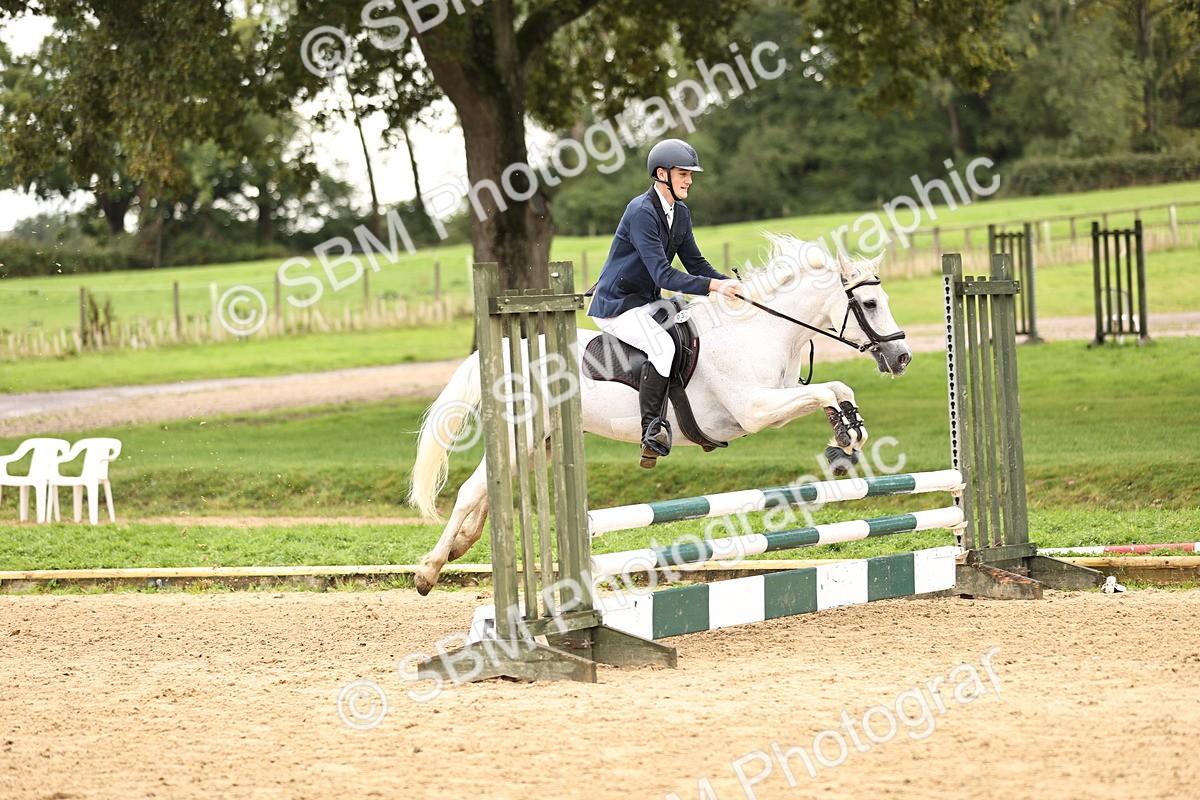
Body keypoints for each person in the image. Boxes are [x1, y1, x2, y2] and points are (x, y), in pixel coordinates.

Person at [587, 138, 743, 466]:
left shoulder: (680, 213)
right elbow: (662, 274)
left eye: (690, 173)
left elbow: (696, 265)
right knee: (664, 347)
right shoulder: (641, 212)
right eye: (683, 173)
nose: (689, 179)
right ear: (662, 174)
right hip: (617, 305)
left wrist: (727, 284)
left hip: (646, 302)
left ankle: (695, 415)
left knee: (696, 325)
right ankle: (652, 430)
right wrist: (713, 285)